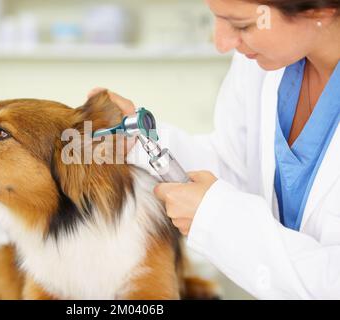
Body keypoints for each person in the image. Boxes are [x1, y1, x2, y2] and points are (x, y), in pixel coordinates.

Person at [88, 0, 340, 299]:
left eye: (242, 25)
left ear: (321, 9)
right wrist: (140, 142)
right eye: (217, 19)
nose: (222, 43)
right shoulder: (261, 64)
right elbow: (235, 165)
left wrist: (218, 220)